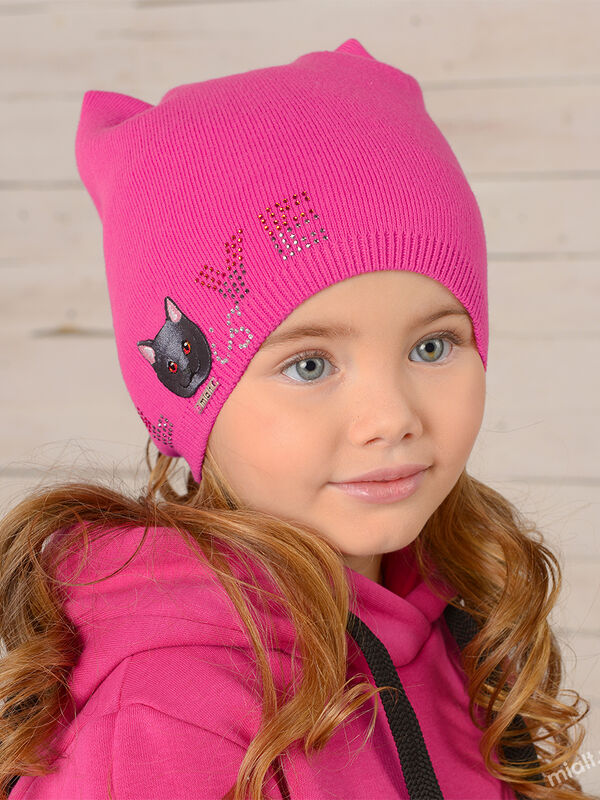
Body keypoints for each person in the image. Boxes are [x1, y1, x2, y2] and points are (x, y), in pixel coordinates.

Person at [0, 37, 593, 800]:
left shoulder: (462, 615)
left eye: (433, 345)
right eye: (310, 365)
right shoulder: (168, 717)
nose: (391, 418)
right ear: (186, 398)